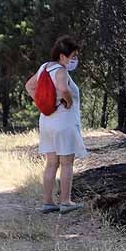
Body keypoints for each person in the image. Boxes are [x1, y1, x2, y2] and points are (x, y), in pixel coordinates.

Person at [24, 35, 87, 214]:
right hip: (63, 121)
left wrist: (44, 102)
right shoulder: (61, 70)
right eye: (73, 56)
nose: (75, 59)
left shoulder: (44, 67)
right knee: (67, 162)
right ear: (62, 56)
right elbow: (64, 89)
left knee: (51, 163)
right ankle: (66, 202)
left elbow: (29, 86)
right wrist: (67, 101)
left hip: (46, 121)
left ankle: (47, 202)